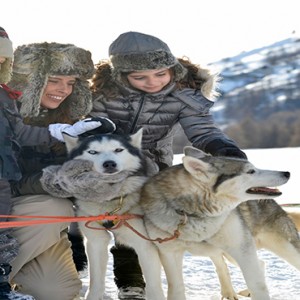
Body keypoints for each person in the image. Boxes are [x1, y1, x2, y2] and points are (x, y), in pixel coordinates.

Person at [89, 31, 247, 299]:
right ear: (121, 75)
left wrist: (225, 151)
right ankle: (131, 280)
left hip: (156, 162)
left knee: (151, 221)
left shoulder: (183, 93)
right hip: (112, 163)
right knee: (123, 219)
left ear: (172, 68)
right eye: (140, 77)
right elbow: (92, 130)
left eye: (161, 74)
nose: (153, 82)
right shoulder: (102, 95)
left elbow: (203, 130)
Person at [0, 27, 106, 300]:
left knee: (57, 292)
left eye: (71, 83)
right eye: (54, 80)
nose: (64, 90)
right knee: (54, 204)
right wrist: (52, 182)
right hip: (18, 210)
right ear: (30, 80)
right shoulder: (11, 110)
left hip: (34, 223)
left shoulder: (75, 121)